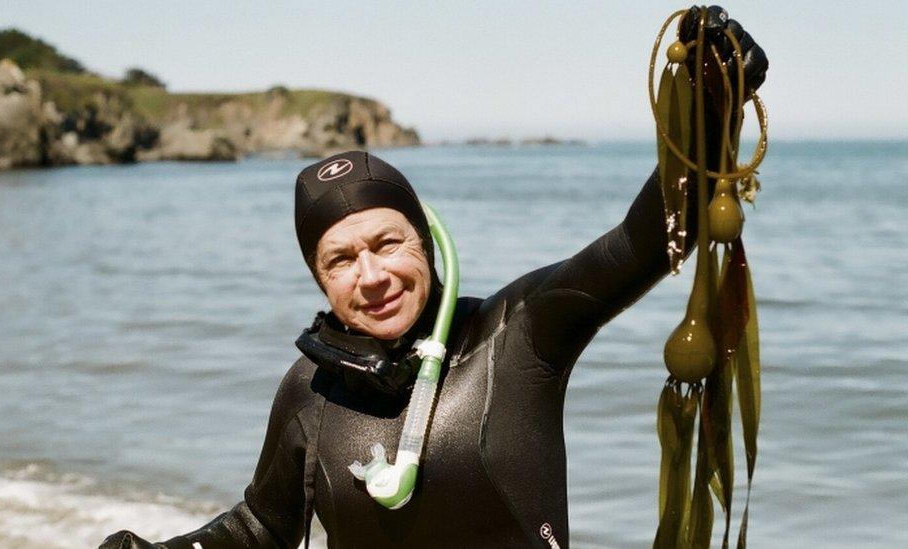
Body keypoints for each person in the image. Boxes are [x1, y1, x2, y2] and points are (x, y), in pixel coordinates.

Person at [100, 6, 767, 548]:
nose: (371, 275)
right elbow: (262, 526)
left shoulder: (517, 334)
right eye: (340, 259)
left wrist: (711, 107)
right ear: (319, 278)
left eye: (388, 243)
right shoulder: (312, 390)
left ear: (426, 238)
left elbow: (641, 243)